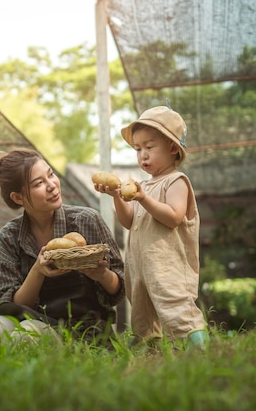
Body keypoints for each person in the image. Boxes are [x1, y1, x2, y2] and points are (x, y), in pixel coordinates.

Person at [0, 148, 125, 354]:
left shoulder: (85, 220)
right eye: (38, 183)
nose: (52, 185)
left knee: (27, 333)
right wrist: (37, 271)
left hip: (86, 333)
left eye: (50, 174)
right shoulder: (8, 238)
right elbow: (13, 306)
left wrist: (101, 274)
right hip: (30, 321)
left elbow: (119, 289)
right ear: (18, 197)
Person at [95, 105, 209, 350]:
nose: (142, 155)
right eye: (138, 149)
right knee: (142, 313)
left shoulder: (176, 181)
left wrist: (142, 198)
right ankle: (150, 349)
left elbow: (174, 217)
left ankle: (197, 346)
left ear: (172, 148)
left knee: (176, 306)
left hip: (169, 265)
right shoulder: (143, 186)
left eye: (149, 147)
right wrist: (117, 195)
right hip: (141, 266)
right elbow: (129, 222)